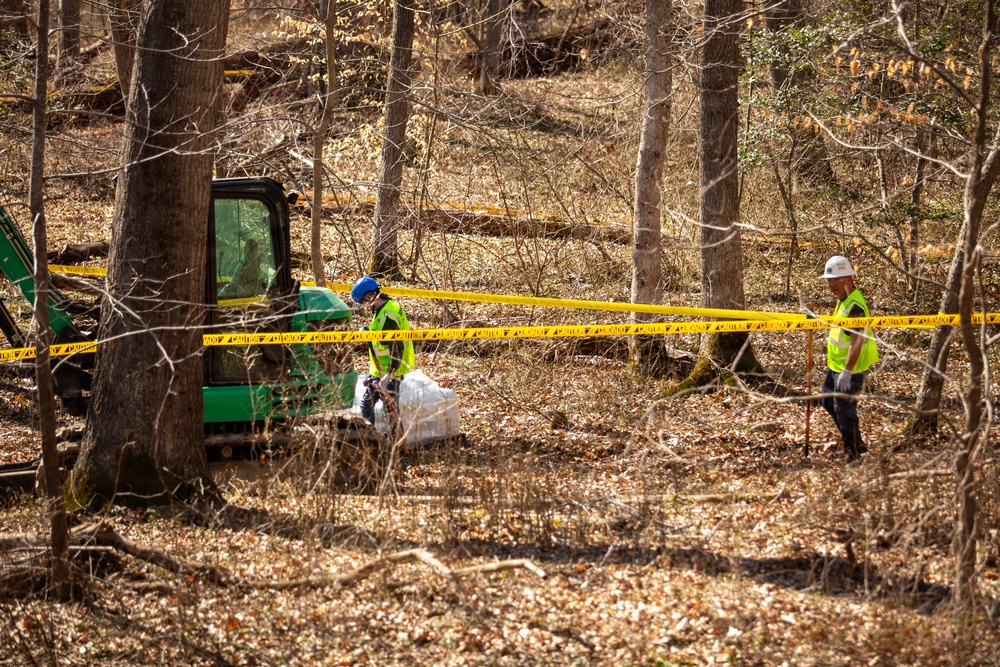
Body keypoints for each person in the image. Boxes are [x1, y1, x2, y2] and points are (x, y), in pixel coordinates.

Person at [819, 255, 879, 461]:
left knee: (844, 411)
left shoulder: (854, 306)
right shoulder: (843, 300)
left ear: (850, 279)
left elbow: (857, 342)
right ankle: (857, 443)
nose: (832, 283)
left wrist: (847, 371)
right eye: (829, 279)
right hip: (836, 366)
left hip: (850, 369)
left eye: (837, 279)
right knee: (827, 400)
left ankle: (853, 453)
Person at [351, 276, 415, 435]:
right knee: (368, 404)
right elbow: (382, 336)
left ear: (368, 296)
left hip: (390, 369)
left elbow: (396, 346)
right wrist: (368, 332)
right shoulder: (385, 305)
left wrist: (389, 375)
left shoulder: (387, 315)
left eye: (362, 302)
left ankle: (396, 445)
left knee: (390, 410)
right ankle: (371, 439)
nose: (363, 306)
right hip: (381, 369)